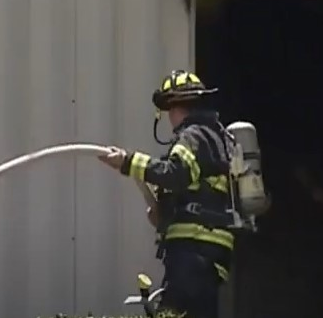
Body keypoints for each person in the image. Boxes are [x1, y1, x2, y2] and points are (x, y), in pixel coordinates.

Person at [98, 69, 234, 318]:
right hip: (206, 255)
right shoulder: (213, 136)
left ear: (174, 107)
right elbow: (196, 190)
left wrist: (127, 162)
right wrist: (166, 216)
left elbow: (176, 173)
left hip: (194, 252)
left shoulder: (194, 136)